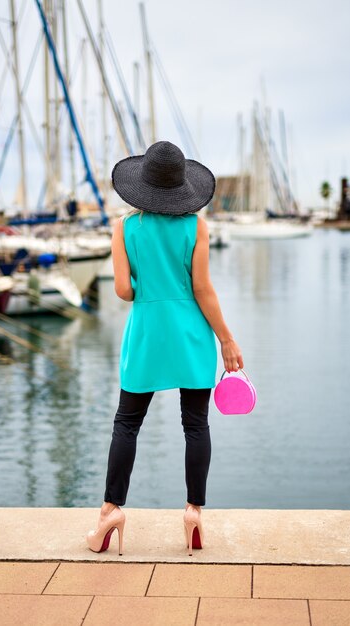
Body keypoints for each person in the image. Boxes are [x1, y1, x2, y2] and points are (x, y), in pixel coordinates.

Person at [86, 141, 244, 556]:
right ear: (181, 187)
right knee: (196, 425)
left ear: (142, 186)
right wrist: (226, 338)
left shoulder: (124, 227)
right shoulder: (197, 226)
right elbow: (203, 289)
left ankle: (110, 512)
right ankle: (194, 511)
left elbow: (122, 290)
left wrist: (147, 288)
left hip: (146, 335)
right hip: (191, 333)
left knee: (127, 424)